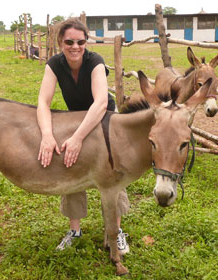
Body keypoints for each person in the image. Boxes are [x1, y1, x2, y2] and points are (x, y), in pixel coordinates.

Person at [37, 18, 130, 255]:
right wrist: (47, 135)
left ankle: (116, 231)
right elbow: (43, 102)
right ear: (60, 42)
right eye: (69, 41)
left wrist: (78, 138)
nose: (75, 46)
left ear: (86, 42)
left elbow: (100, 103)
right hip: (75, 117)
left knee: (112, 170)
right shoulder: (54, 64)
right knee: (70, 165)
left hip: (105, 117)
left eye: (80, 41)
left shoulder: (95, 61)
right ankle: (75, 230)